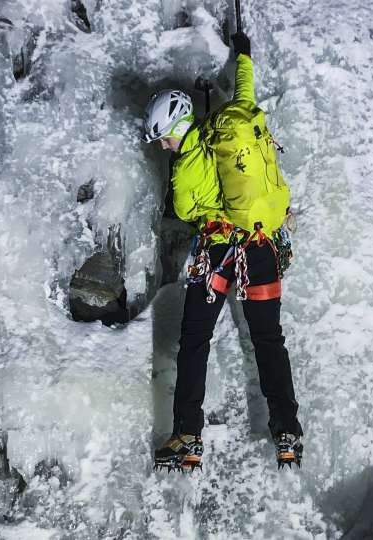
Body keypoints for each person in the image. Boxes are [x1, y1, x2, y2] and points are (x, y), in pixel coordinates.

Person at [143, 31, 303, 472]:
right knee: (269, 339)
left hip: (218, 253)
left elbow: (185, 209)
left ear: (177, 128)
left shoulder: (188, 161)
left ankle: (187, 439)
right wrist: (245, 55)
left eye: (164, 138)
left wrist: (190, 177)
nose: (163, 146)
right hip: (260, 246)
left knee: (195, 341)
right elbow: (246, 90)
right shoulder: (230, 121)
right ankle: (288, 434)